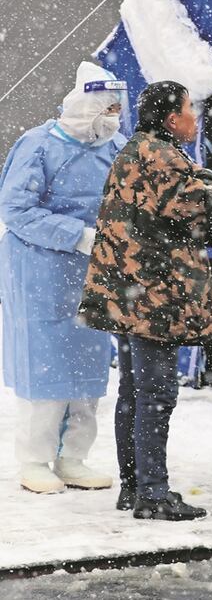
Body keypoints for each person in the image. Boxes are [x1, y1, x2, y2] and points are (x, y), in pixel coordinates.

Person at [79, 80, 212, 520]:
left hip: (129, 294)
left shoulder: (135, 149)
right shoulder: (161, 156)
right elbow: (201, 206)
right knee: (156, 395)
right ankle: (153, 494)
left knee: (134, 391)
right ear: (170, 119)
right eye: (188, 109)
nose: (194, 117)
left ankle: (134, 487)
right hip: (154, 299)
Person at [0, 62, 126, 493]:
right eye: (106, 109)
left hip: (92, 275)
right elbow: (15, 210)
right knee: (46, 368)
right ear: (86, 106)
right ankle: (34, 460)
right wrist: (76, 236)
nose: (113, 117)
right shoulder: (37, 146)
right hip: (39, 273)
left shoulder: (114, 147)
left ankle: (73, 457)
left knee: (87, 368)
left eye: (117, 109)